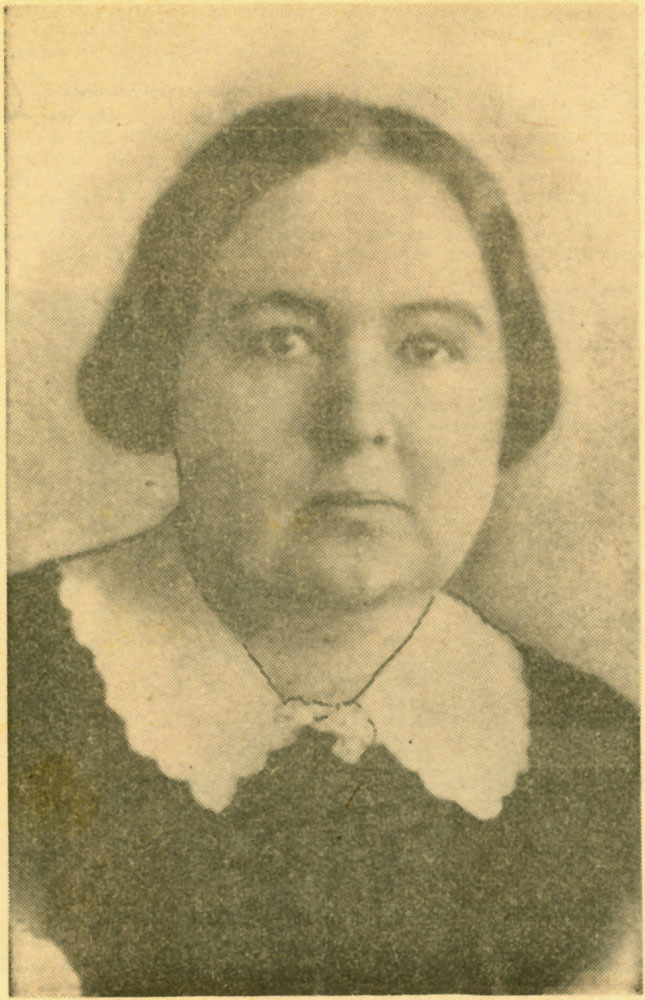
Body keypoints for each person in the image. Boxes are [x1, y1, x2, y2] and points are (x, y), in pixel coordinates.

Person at [9, 95, 640, 996]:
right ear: (165, 367)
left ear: (509, 387)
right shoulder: (22, 679)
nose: (358, 420)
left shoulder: (602, 755)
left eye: (427, 347)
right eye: (283, 341)